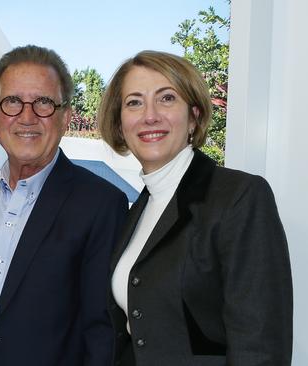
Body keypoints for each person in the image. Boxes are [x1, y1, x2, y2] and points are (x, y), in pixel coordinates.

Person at [98, 50, 293, 365]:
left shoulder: (239, 197)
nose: (150, 115)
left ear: (195, 116)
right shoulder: (138, 210)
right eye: (134, 102)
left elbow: (259, 349)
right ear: (120, 125)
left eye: (167, 98)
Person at [0, 45, 128, 366]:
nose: (27, 117)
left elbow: (102, 331)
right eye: (13, 102)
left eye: (43, 102)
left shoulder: (101, 204)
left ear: (65, 116)